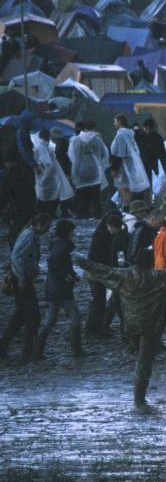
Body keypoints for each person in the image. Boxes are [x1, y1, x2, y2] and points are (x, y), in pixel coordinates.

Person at [77, 250, 166, 405]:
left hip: (130, 326)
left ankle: (139, 396)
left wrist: (83, 262)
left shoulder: (124, 276)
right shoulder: (156, 277)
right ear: (150, 262)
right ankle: (139, 398)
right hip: (150, 327)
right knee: (144, 362)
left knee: (141, 358)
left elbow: (104, 270)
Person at [0, 213, 52, 363]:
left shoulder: (29, 234)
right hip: (22, 280)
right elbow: (16, 257)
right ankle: (28, 350)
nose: (47, 231)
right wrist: (22, 278)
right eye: (46, 227)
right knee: (33, 315)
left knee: (21, 314)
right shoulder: (29, 237)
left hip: (21, 278)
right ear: (39, 225)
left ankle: (5, 346)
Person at [35, 219, 84, 358]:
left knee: (50, 321)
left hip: (53, 288)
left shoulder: (58, 244)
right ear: (67, 232)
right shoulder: (62, 246)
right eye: (72, 231)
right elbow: (55, 263)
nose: (73, 233)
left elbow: (58, 264)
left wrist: (72, 275)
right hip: (61, 289)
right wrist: (67, 276)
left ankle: (37, 350)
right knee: (75, 316)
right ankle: (77, 349)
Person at [0, 111, 39, 249]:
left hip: (18, 178)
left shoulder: (21, 133)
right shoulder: (22, 134)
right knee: (24, 209)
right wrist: (34, 165)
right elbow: (24, 152)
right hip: (20, 179)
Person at [84, 213, 123, 336]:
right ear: (109, 226)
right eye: (115, 228)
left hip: (101, 271)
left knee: (100, 299)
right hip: (96, 272)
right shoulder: (100, 237)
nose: (117, 231)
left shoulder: (103, 235)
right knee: (98, 299)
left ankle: (97, 326)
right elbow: (95, 257)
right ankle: (92, 328)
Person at [69, 120, 110, 219]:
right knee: (95, 199)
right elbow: (104, 154)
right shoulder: (97, 140)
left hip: (80, 173)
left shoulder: (75, 140)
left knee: (81, 199)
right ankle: (97, 218)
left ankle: (82, 218)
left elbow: (71, 156)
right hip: (95, 172)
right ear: (94, 127)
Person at [110, 114, 151, 207]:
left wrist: (114, 169)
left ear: (119, 122)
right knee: (129, 191)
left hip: (123, 167)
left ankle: (126, 209)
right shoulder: (130, 134)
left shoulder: (121, 135)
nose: (114, 123)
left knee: (124, 190)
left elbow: (118, 154)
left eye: (115, 121)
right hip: (132, 166)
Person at [34, 128, 74, 218]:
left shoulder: (43, 147)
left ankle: (54, 216)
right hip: (55, 178)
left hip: (52, 179)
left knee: (48, 202)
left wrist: (44, 178)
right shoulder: (47, 147)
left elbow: (49, 165)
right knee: (53, 200)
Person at [135, 118, 166, 189]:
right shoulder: (138, 136)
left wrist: (164, 167)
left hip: (152, 163)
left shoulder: (157, 138)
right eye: (145, 129)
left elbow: (162, 154)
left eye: (149, 129)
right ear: (143, 128)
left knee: (150, 183)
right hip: (141, 163)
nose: (147, 131)